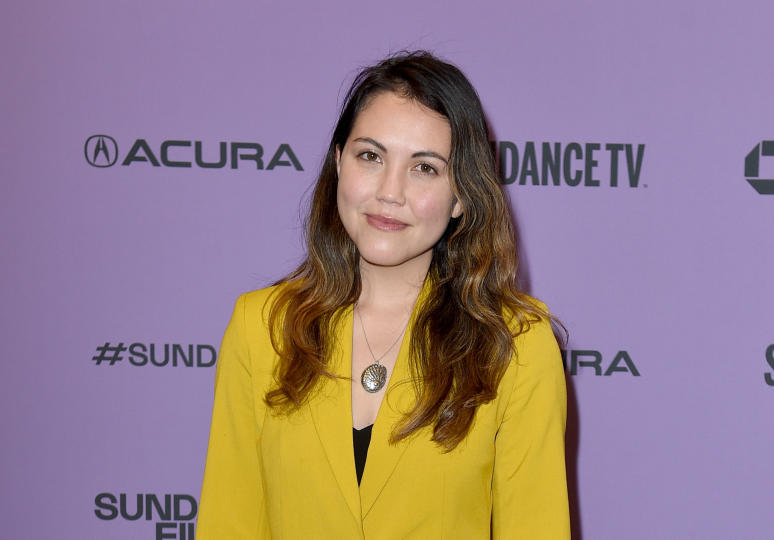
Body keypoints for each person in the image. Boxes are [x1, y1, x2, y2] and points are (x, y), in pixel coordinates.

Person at [196, 50, 570, 539]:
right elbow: (229, 525)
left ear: (461, 196)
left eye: (425, 168)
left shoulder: (516, 345)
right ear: (337, 163)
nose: (390, 192)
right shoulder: (260, 326)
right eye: (370, 156)